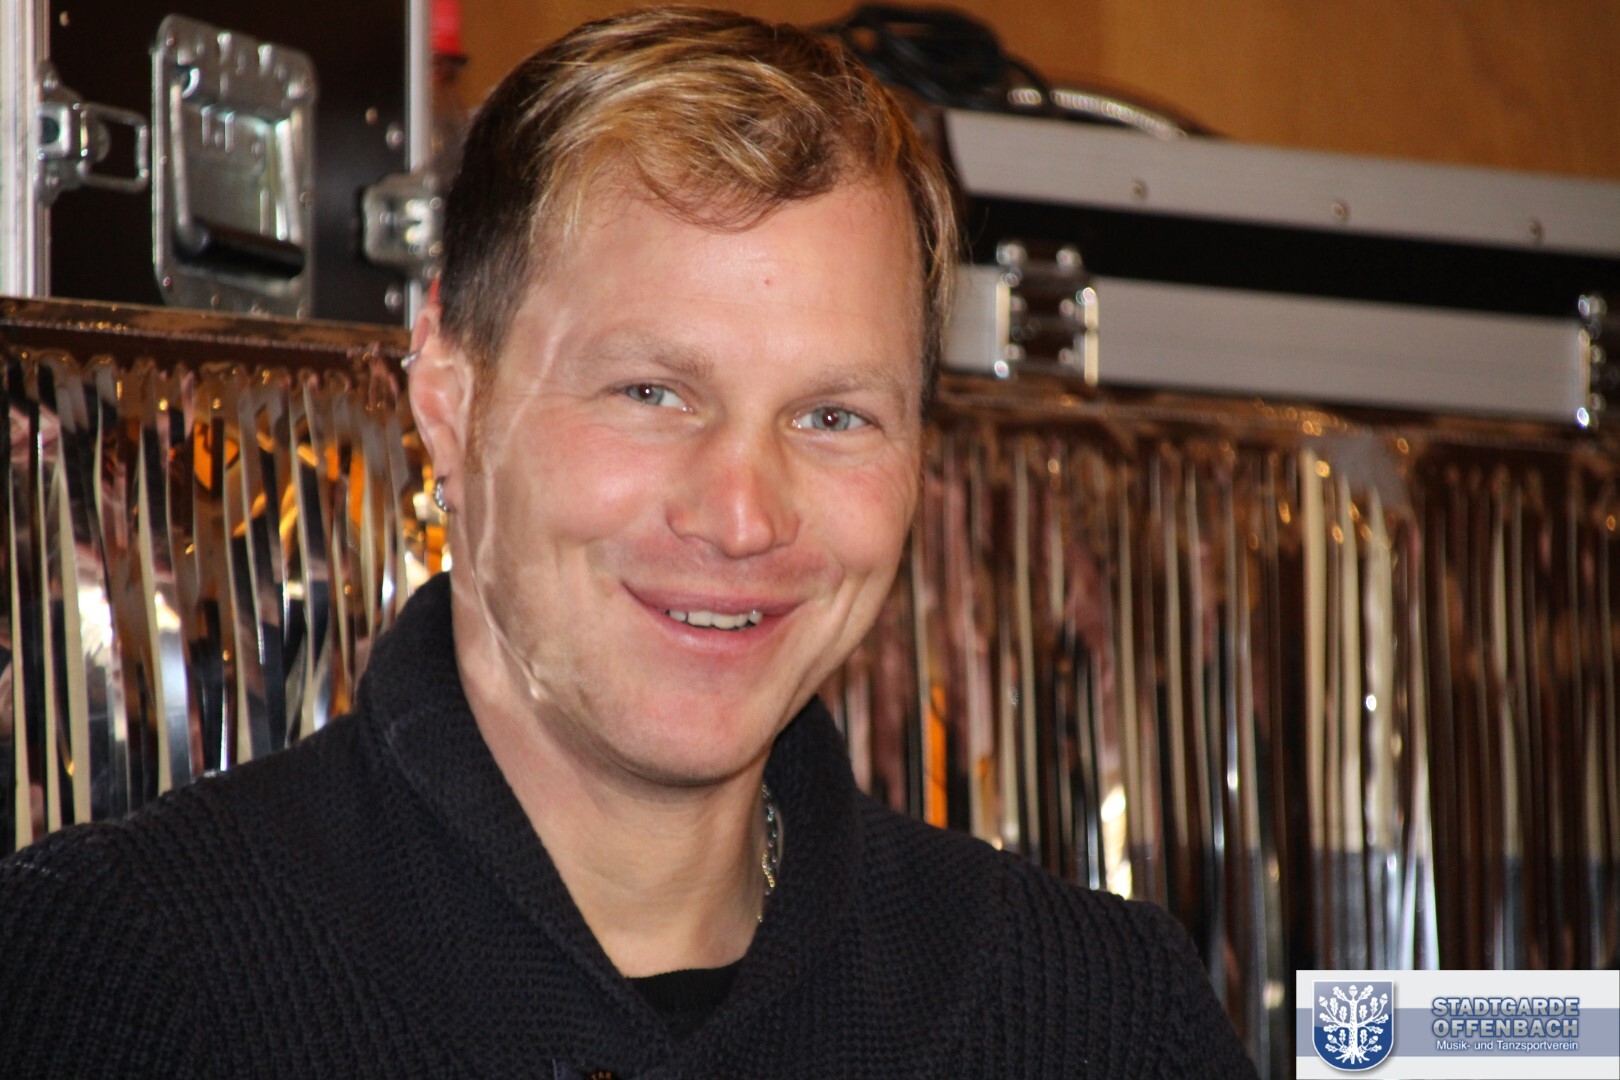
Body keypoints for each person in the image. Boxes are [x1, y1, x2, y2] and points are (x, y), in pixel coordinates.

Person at [0, 8, 1257, 1076]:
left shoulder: (1100, 1018)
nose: (744, 517)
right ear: (450, 399)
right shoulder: (112, 979)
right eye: (652, 393)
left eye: (834, 416)